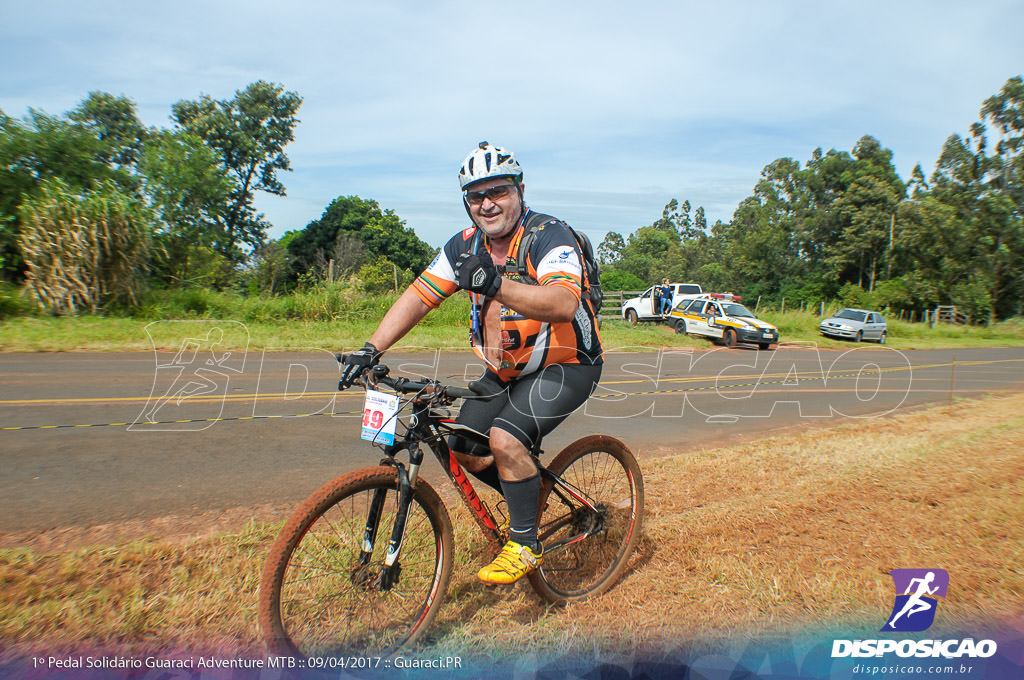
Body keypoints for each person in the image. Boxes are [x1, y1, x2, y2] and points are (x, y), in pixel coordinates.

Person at [339, 142, 604, 585]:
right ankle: (531, 499)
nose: (487, 204)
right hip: (504, 370)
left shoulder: (548, 235)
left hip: (567, 363)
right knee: (465, 447)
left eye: (498, 191)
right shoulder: (464, 247)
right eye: (475, 196)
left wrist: (496, 283)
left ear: (519, 190)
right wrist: (371, 348)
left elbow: (561, 302)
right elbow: (419, 296)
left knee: (504, 439)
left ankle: (524, 542)